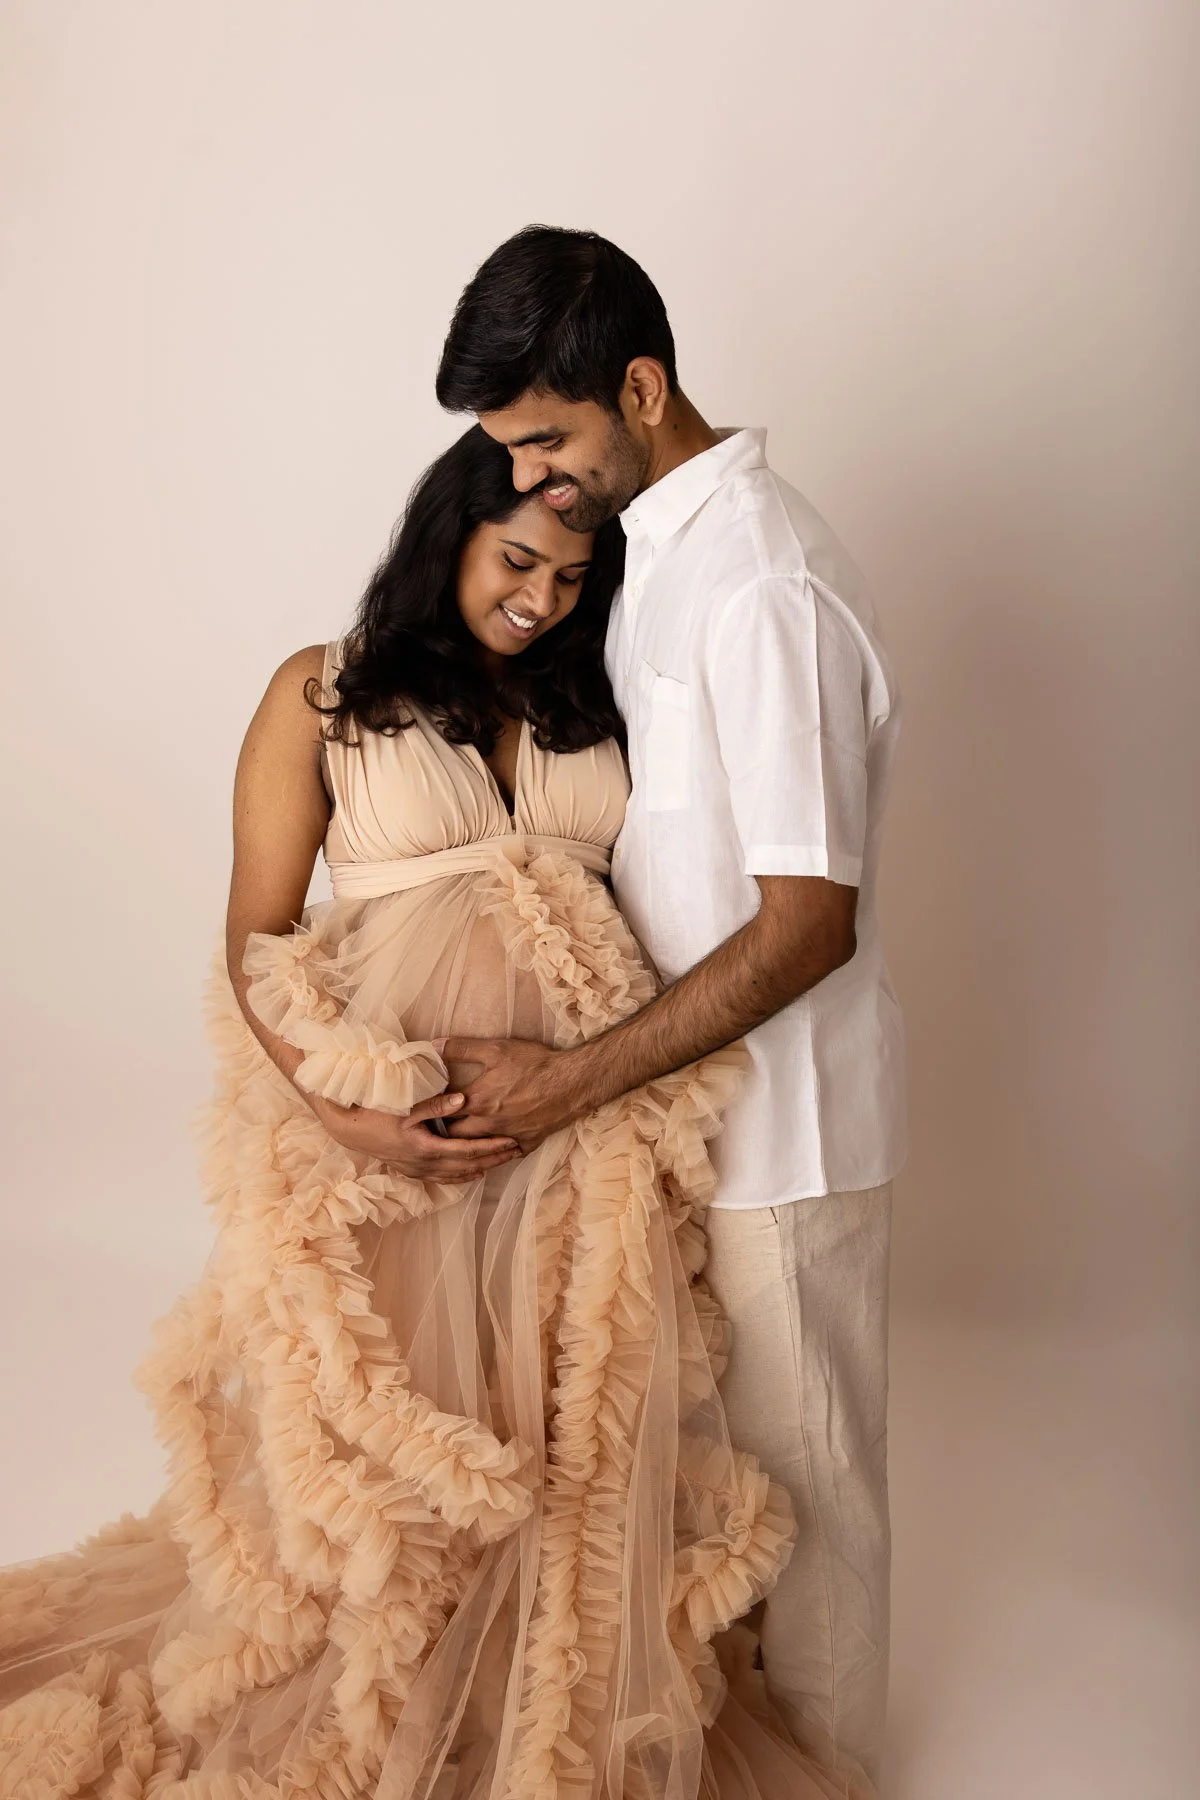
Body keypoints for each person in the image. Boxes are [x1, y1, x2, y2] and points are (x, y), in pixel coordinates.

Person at [0, 425, 850, 1800]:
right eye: (518, 560)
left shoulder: (597, 699)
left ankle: (522, 1689)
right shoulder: (320, 694)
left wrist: (592, 1076)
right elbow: (252, 938)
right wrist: (342, 1116)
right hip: (391, 1139)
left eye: (576, 576)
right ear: (446, 533)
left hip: (584, 1125)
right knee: (406, 1441)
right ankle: (395, 1687)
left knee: (559, 1430)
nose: (542, 597)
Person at [434, 227, 907, 1796]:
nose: (538, 482)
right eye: (510, 454)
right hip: (684, 1113)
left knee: (813, 1489)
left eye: (550, 441)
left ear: (642, 387)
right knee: (726, 1491)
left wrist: (566, 1083)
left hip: (790, 1127)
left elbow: (806, 925)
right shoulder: (654, 549)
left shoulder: (765, 577)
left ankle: (833, 1769)